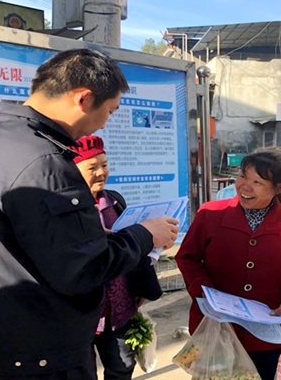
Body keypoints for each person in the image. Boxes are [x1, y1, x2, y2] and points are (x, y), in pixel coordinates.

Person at [0, 49, 179, 380]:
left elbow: (27, 239)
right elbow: (82, 270)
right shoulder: (45, 163)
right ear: (84, 99)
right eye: (109, 111)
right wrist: (144, 235)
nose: (105, 122)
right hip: (38, 354)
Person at [176, 149, 281, 380]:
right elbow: (187, 257)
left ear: (279, 187)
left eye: (257, 182)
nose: (245, 187)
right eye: (243, 176)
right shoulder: (210, 213)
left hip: (264, 329)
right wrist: (205, 293)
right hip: (215, 325)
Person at [69, 135, 163, 380]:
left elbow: (132, 247)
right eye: (92, 167)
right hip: (82, 310)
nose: (101, 172)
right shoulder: (66, 209)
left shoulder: (114, 201)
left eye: (105, 164)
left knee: (122, 364)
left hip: (119, 304)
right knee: (82, 370)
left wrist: (139, 286)